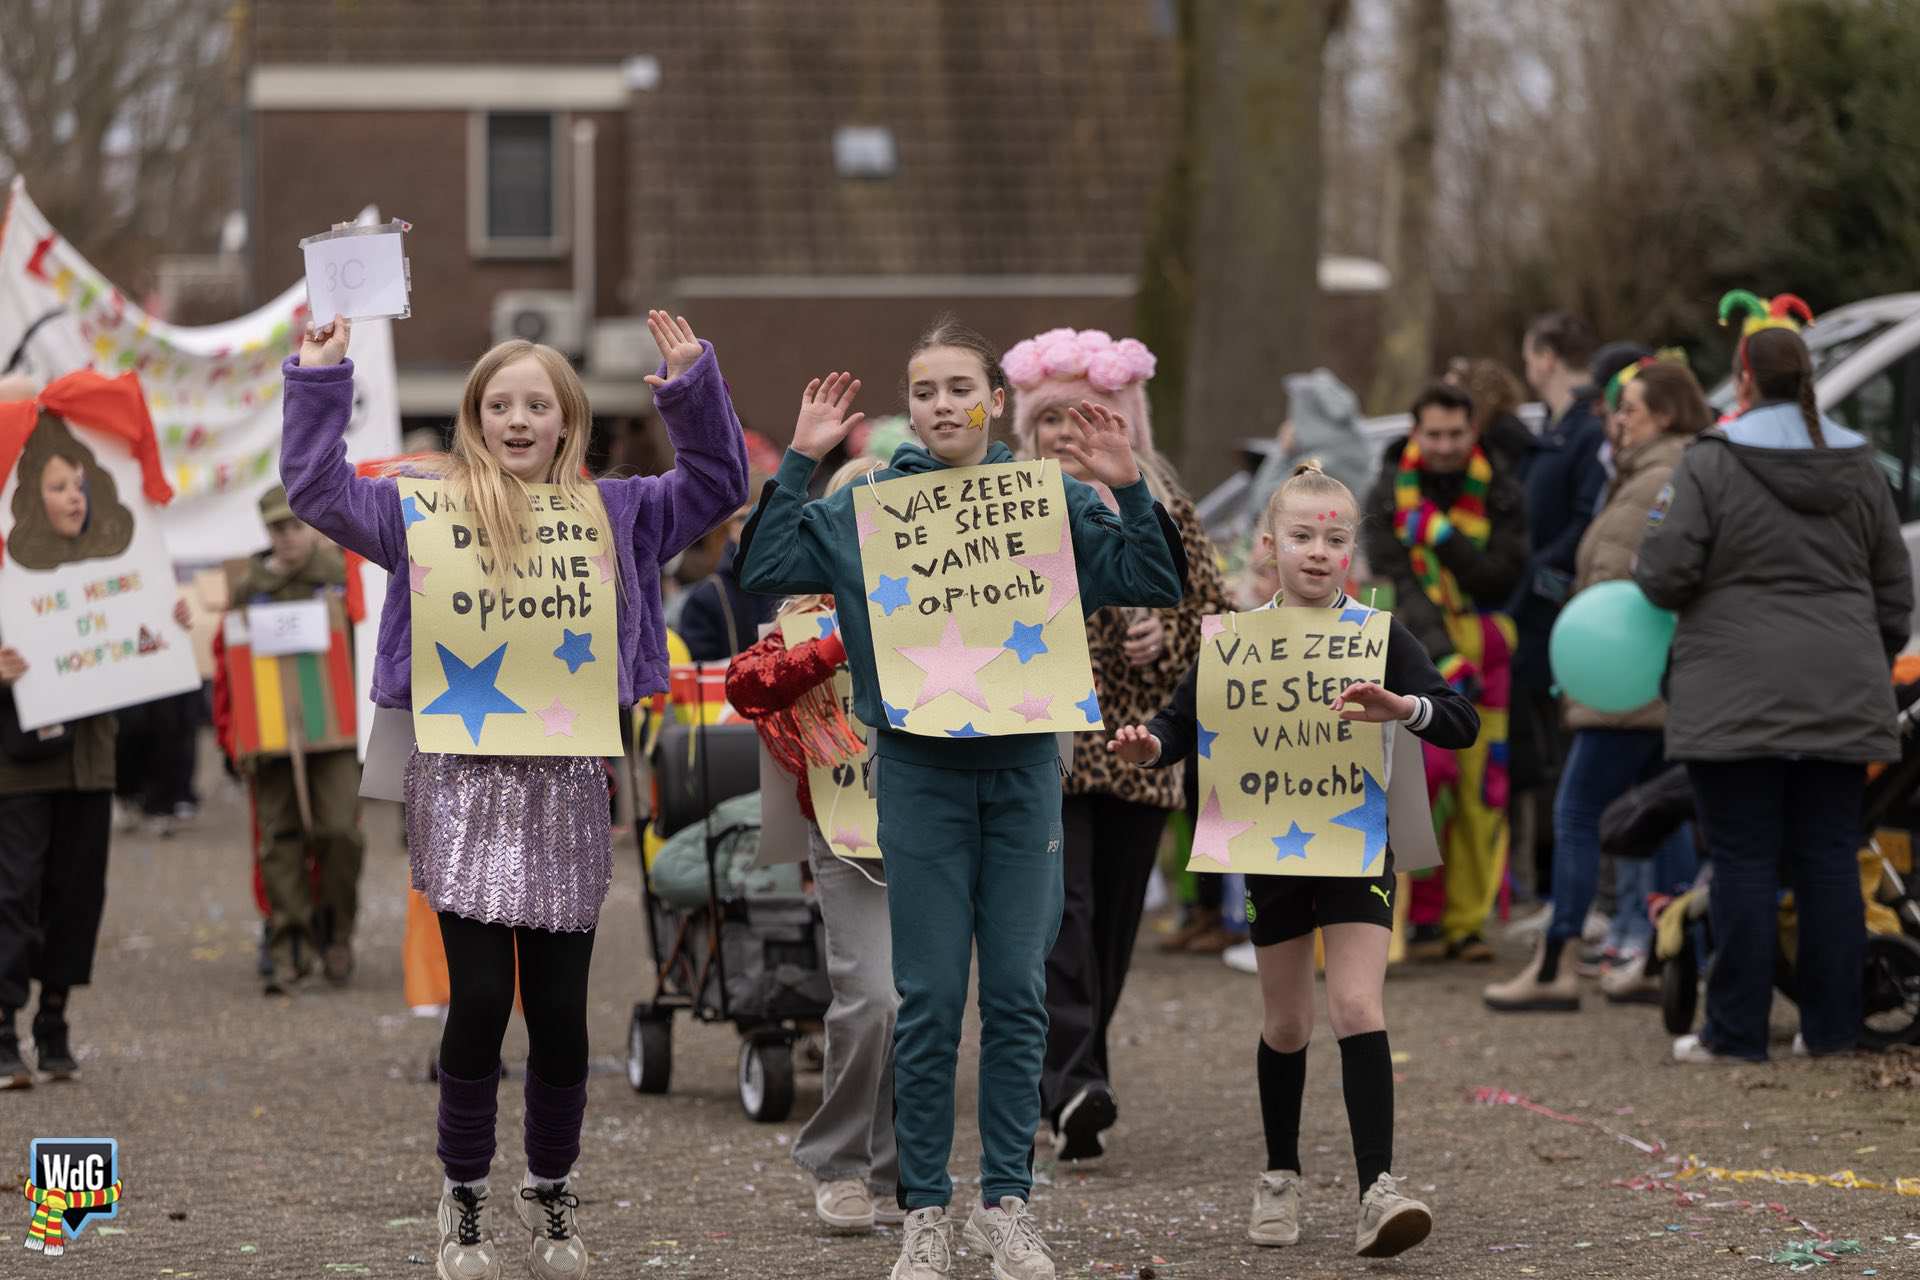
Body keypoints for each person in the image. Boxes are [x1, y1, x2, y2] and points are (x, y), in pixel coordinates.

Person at [282, 311, 748, 1280]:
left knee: (566, 1011)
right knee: (482, 1000)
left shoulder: (619, 512)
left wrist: (689, 383)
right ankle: (461, 1195)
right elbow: (316, 488)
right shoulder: (421, 509)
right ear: (474, 418)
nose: (518, 417)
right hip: (461, 778)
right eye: (499, 403)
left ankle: (550, 1186)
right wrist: (319, 375)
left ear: (568, 416)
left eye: (537, 402)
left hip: (568, 782)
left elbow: (718, 485)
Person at [735, 317, 1186, 1280]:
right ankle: (928, 1211)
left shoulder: (1049, 499)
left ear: (993, 403)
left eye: (958, 389)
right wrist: (803, 462)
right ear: (911, 408)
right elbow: (765, 570)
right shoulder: (873, 508)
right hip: (918, 774)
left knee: (1019, 995)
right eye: (924, 390)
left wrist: (1127, 481)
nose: (942, 405)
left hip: (1024, 773)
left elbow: (1152, 577)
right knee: (930, 998)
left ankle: (1008, 1207)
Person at [1111, 460, 1478, 1258]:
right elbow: (1182, 722)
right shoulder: (1236, 643)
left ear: (1352, 551)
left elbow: (1460, 719)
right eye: (1303, 536)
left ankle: (1378, 1189)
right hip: (1270, 850)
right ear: (1269, 546)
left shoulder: (1379, 636)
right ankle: (1279, 1174)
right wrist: (1150, 747)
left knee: (1356, 1008)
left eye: (1335, 538)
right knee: (1286, 1022)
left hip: (1355, 846)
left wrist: (1401, 707)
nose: (1318, 551)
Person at [1636, 292, 1911, 1063]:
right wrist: (1863, 658)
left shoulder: (1711, 461)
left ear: (1744, 382)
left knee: (1744, 859)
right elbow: (1895, 592)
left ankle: (1735, 1032)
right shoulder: (1859, 464)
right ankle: (1831, 1030)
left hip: (1733, 695)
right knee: (1829, 855)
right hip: (1842, 692)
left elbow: (1662, 574)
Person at [1001, 326, 1230, 1162]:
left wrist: (1163, 636)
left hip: (1138, 754)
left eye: (1083, 417)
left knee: (1113, 931)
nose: (1066, 433)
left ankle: (1071, 1086)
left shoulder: (1167, 507)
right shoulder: (1006, 507)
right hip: (1046, 751)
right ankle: (1074, 1086)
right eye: (1051, 418)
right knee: (1063, 918)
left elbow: (1220, 624)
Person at [1484, 359, 1711, 1012]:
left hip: (1633, 688)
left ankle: (1557, 962)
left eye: (1630, 408)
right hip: (1639, 685)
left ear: (1664, 413)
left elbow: (1650, 579)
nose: (1617, 418)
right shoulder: (1646, 474)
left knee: (1579, 810)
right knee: (1659, 815)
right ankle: (1669, 959)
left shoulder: (1665, 476)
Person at [726, 455, 905, 1234]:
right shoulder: (806, 622)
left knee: (924, 1010)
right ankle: (840, 1163)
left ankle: (905, 1172)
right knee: (874, 999)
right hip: (851, 832)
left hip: (948, 828)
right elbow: (745, 686)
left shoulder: (941, 606)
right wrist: (838, 644)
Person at [0, 372, 188, 1089]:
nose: (74, 495)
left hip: (90, 757)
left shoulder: (122, 563)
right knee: (14, 892)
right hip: (17, 763)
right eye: (55, 484)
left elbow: (132, 659)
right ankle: (2, 1029)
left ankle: (53, 1024)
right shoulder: (8, 569)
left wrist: (161, 632)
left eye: (79, 482)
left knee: (77, 894)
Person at [1364, 383, 1526, 961]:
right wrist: (1441, 656)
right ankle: (1408, 922)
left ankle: (1467, 924)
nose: (1444, 445)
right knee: (1419, 781)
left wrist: (1441, 537)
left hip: (1488, 652)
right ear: (1414, 432)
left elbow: (1500, 576)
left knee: (1485, 788)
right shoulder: (1386, 492)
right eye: (1432, 434)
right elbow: (1396, 583)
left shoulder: (1502, 489)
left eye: (1456, 434)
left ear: (1472, 432)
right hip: (1411, 644)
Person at [225, 484, 366, 994]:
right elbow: (232, 665)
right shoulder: (249, 587)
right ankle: (290, 945)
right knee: (279, 839)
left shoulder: (341, 578)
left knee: (339, 832)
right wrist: (235, 739)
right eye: (277, 529)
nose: (287, 537)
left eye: (295, 526)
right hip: (269, 733)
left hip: (335, 731)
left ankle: (337, 930)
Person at [677, 492, 777, 661]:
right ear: (727, 527)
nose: (754, 525)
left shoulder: (802, 587)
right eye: (743, 518)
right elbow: (700, 674)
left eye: (764, 515)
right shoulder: (706, 598)